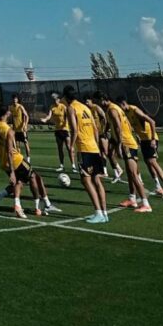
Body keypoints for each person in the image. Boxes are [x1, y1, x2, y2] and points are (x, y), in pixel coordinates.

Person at [0, 104, 61, 218]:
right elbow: (10, 152)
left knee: (19, 183)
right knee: (33, 177)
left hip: (3, 163)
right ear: (7, 113)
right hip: (16, 161)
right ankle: (27, 207)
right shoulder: (8, 130)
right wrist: (12, 171)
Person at [65, 86, 108, 224]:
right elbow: (96, 129)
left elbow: (74, 130)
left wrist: (71, 146)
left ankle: (98, 212)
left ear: (66, 97)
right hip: (94, 147)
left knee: (86, 180)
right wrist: (96, 144)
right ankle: (105, 213)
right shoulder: (86, 108)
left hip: (84, 148)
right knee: (97, 180)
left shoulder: (71, 108)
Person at [107, 97, 152, 213]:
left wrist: (119, 144)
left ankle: (146, 204)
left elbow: (118, 128)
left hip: (128, 145)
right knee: (130, 173)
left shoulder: (114, 110)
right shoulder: (119, 111)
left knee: (133, 174)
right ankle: (132, 199)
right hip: (128, 143)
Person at [123, 100, 163, 199]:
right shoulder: (126, 113)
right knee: (148, 163)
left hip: (150, 139)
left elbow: (152, 121)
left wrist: (153, 139)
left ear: (123, 104)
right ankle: (158, 187)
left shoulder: (135, 110)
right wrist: (138, 136)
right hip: (143, 139)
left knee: (153, 162)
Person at [40, 93, 74, 172]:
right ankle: (61, 165)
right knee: (60, 148)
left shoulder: (63, 107)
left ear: (59, 99)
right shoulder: (52, 107)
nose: (54, 101)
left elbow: (68, 116)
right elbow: (49, 115)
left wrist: (68, 123)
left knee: (69, 148)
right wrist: (45, 119)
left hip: (65, 129)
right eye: (53, 99)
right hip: (58, 130)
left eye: (55, 99)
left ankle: (73, 166)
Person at [97, 93, 124, 183]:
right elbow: (109, 123)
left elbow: (118, 126)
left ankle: (138, 179)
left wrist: (119, 143)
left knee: (129, 160)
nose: (99, 103)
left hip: (122, 137)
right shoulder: (109, 109)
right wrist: (105, 131)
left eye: (99, 100)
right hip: (114, 136)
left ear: (103, 99)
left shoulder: (112, 109)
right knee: (109, 154)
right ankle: (117, 172)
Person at [10, 95, 31, 164]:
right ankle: (19, 159)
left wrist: (25, 125)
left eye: (15, 99)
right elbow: (12, 118)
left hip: (22, 130)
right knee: (16, 145)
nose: (14, 100)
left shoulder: (20, 107)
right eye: (13, 99)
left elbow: (26, 116)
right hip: (15, 130)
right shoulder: (11, 107)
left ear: (17, 100)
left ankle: (28, 159)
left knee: (25, 143)